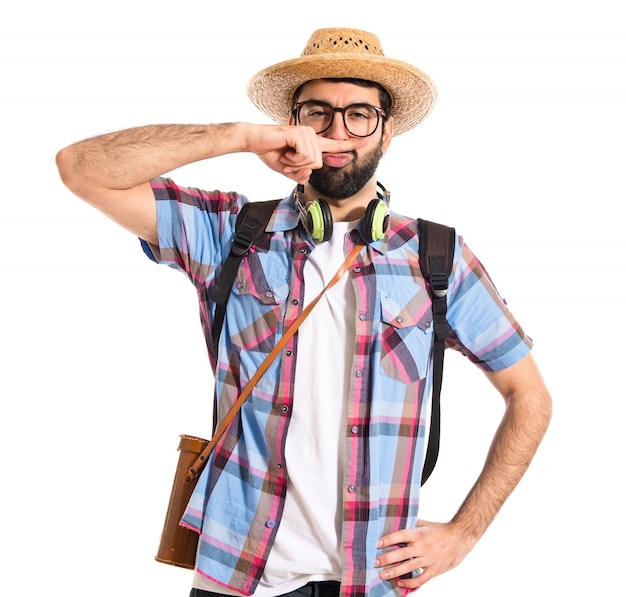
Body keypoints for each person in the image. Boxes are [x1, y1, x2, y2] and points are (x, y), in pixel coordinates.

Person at [56, 27, 552, 597]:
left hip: (375, 578)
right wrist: (242, 136)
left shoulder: (438, 257)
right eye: (317, 112)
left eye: (360, 114)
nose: (337, 131)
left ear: (387, 133)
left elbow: (531, 398)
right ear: (293, 123)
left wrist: (465, 534)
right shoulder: (231, 234)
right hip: (240, 572)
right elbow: (81, 167)